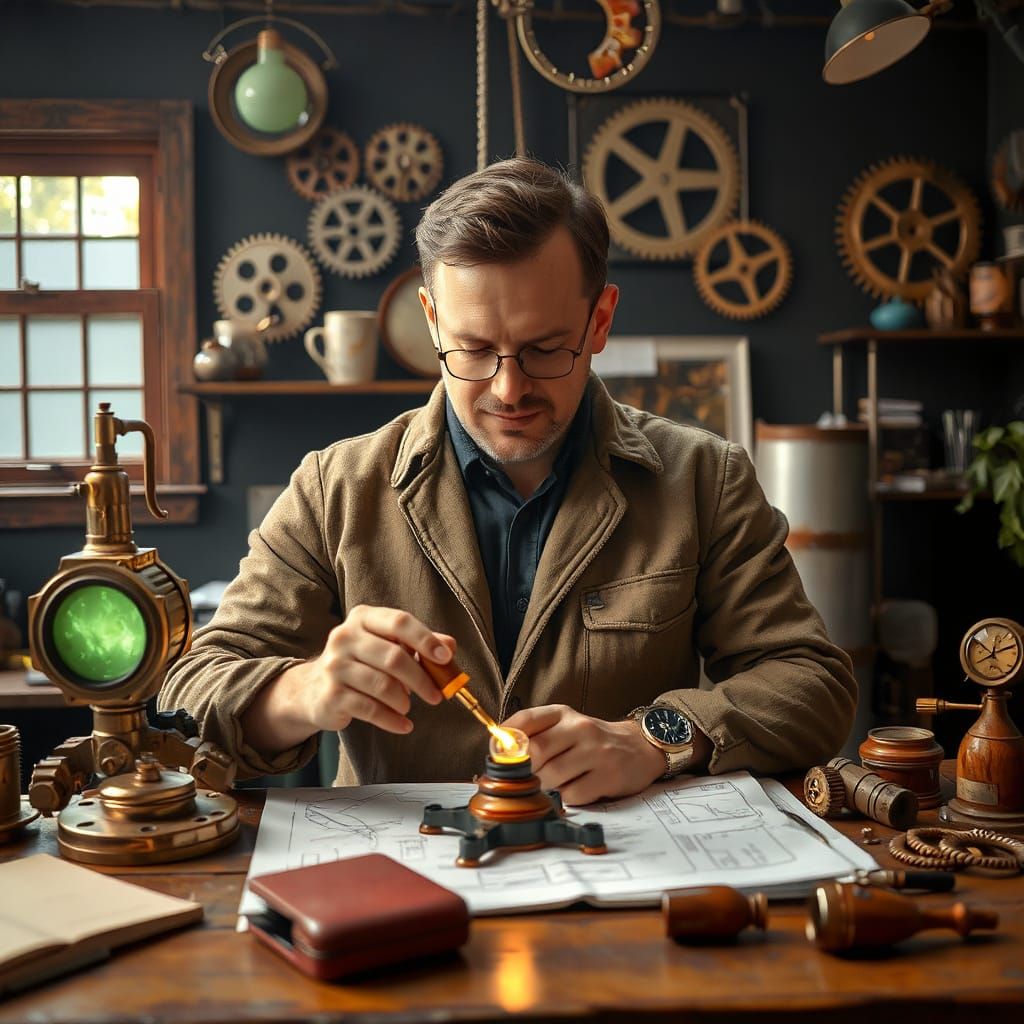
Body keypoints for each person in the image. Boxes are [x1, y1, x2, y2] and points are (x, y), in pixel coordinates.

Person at [160, 158, 855, 805]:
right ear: (433, 322)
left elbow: (812, 684)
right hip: (405, 892)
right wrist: (302, 690)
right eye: (474, 349)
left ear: (600, 320)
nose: (508, 388)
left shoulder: (703, 477)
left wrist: (651, 738)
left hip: (619, 885)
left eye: (545, 349)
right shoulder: (333, 487)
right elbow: (187, 694)